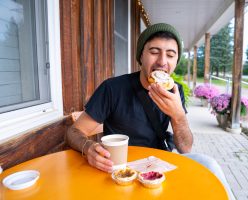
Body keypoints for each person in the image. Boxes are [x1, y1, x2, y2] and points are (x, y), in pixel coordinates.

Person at [67, 23, 235, 199]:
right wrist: (88, 148)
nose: (162, 61)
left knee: (210, 164)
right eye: (154, 52)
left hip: (161, 164)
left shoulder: (175, 91)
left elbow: (186, 148)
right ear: (141, 55)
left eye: (170, 55)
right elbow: (73, 131)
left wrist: (178, 115)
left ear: (176, 61)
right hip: (122, 168)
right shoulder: (113, 88)